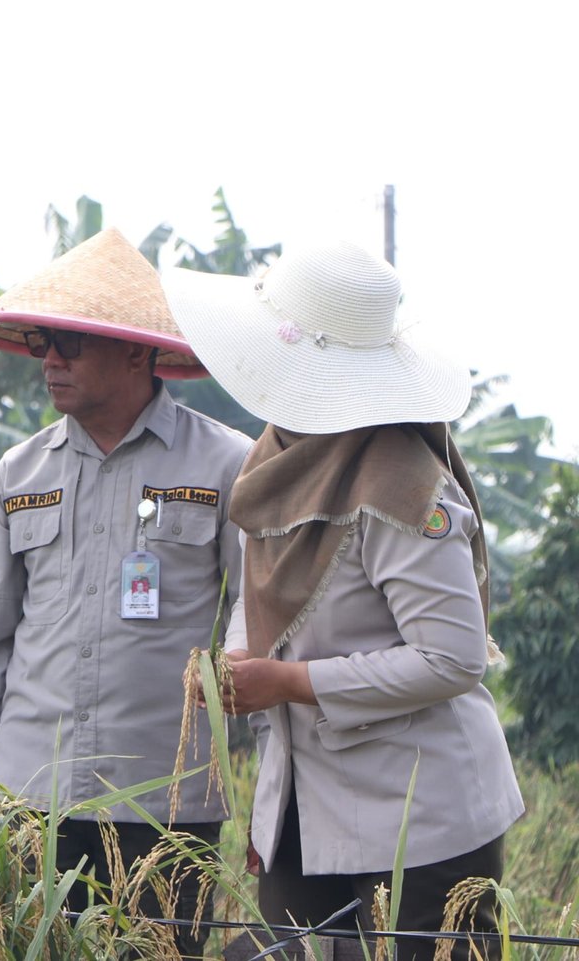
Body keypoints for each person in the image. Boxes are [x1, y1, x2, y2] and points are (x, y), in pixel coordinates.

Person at [165, 242, 523, 960]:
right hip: (306, 801)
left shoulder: (401, 487)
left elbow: (452, 659)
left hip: (421, 818)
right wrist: (237, 659)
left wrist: (290, 682)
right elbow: (260, 589)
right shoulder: (277, 458)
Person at [0, 229, 252, 957]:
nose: (50, 360)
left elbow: (259, 630)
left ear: (139, 351)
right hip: (27, 803)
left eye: (72, 343)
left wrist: (271, 801)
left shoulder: (227, 465)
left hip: (168, 805)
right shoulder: (18, 475)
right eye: (45, 342)